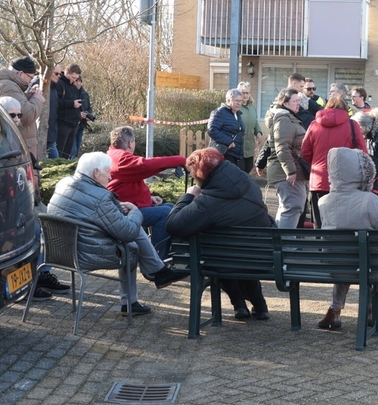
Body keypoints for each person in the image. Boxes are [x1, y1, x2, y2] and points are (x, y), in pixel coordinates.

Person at [47, 152, 188, 316]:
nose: (110, 177)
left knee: (127, 228)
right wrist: (135, 211)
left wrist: (117, 207)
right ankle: (145, 284)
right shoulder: (101, 197)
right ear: (96, 173)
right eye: (108, 172)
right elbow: (127, 232)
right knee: (130, 242)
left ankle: (155, 274)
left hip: (60, 252)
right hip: (85, 255)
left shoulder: (64, 183)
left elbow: (86, 206)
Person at [166, 148, 272, 320]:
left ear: (200, 173)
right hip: (263, 258)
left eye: (192, 173)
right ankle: (259, 306)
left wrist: (188, 197)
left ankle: (239, 305)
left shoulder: (206, 202)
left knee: (221, 257)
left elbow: (174, 225)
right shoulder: (248, 182)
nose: (192, 176)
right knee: (240, 251)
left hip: (224, 261)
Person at [316, 147, 378, 330]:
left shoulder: (323, 202)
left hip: (336, 267)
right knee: (366, 256)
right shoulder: (369, 200)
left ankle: (334, 311)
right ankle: (369, 310)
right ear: (362, 171)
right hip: (371, 267)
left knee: (346, 257)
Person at [0, 96, 70, 302]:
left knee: (52, 226)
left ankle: (42, 273)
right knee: (34, 233)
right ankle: (29, 280)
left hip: (27, 194)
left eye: (20, 114)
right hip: (7, 201)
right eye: (13, 115)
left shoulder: (14, 132)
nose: (18, 119)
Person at [105, 126, 187, 260]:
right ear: (131, 143)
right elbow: (145, 165)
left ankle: (165, 250)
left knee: (170, 207)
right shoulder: (120, 158)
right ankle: (154, 258)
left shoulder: (113, 155)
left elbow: (128, 181)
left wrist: (149, 197)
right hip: (124, 210)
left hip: (126, 204)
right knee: (166, 214)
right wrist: (180, 160)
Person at [301, 92, 368, 228]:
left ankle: (320, 247)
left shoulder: (314, 124)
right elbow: (363, 153)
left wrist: (316, 164)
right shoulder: (352, 125)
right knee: (342, 220)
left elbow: (305, 151)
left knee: (319, 222)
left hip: (318, 179)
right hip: (344, 179)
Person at [259, 88, 309, 229]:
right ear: (285, 103)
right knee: (292, 206)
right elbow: (282, 146)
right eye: (295, 101)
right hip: (287, 172)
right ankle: (286, 245)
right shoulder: (284, 119)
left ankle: (281, 244)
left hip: (289, 170)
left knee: (288, 207)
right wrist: (291, 171)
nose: (298, 104)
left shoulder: (289, 117)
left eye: (299, 100)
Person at [0, 56, 45, 161]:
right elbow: (26, 115)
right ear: (20, 73)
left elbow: (17, 106)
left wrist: (29, 96)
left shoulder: (4, 84)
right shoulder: (7, 86)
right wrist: (37, 99)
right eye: (30, 77)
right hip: (19, 147)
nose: (31, 82)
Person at [207, 88, 246, 167]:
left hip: (237, 154)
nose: (239, 103)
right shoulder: (219, 112)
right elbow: (212, 130)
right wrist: (228, 141)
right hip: (224, 153)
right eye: (236, 101)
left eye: (240, 101)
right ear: (228, 100)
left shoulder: (237, 114)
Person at [56, 64, 84, 158]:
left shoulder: (73, 87)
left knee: (66, 154)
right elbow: (56, 102)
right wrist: (72, 104)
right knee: (60, 152)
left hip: (74, 124)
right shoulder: (59, 83)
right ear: (67, 73)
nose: (74, 80)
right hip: (63, 123)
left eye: (76, 78)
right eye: (73, 77)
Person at [236, 81, 264, 174]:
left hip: (249, 146)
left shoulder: (252, 107)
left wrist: (258, 133)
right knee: (240, 170)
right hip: (238, 145)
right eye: (242, 93)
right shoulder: (236, 107)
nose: (245, 95)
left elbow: (255, 122)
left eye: (247, 93)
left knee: (248, 167)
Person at [69, 76, 94, 158]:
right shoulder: (69, 93)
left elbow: (89, 108)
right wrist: (78, 114)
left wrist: (88, 116)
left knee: (77, 151)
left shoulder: (85, 94)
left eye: (79, 81)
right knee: (73, 150)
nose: (78, 83)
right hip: (71, 125)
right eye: (76, 81)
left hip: (81, 125)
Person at [46, 64, 64, 159]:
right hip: (42, 133)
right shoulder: (41, 86)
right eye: (56, 73)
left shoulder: (54, 89)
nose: (58, 76)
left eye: (60, 74)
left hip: (51, 133)